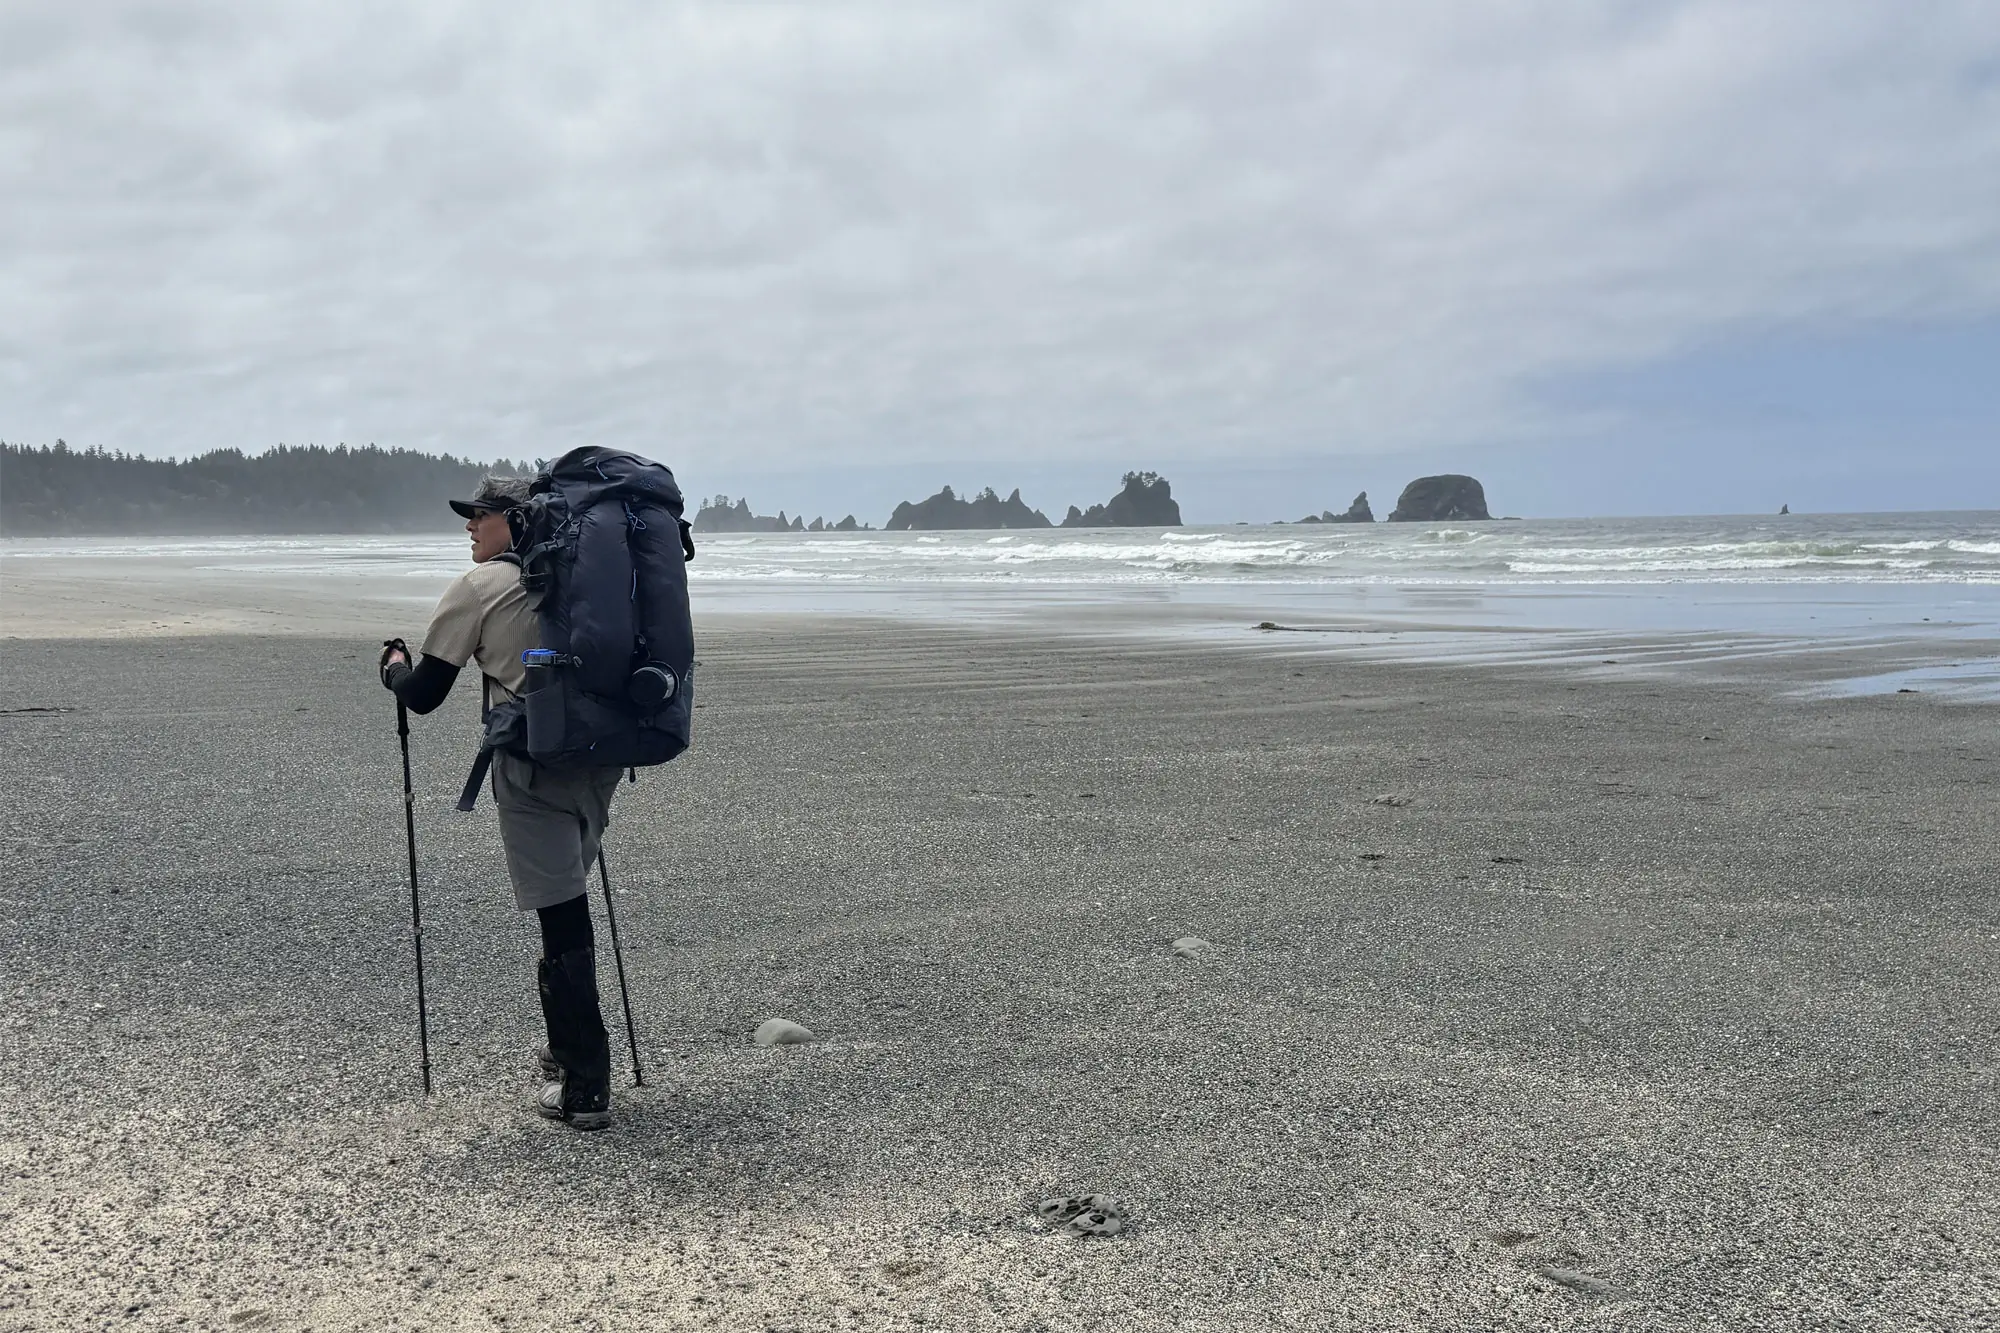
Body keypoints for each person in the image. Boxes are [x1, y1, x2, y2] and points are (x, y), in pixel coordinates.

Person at [378, 476, 624, 1131]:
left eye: (479, 516)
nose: (469, 527)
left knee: (561, 916)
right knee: (570, 898)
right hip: (599, 757)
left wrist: (394, 667)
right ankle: (566, 1051)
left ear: (515, 522)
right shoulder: (583, 578)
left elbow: (424, 693)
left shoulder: (480, 587)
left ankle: (585, 1086)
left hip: (530, 764)